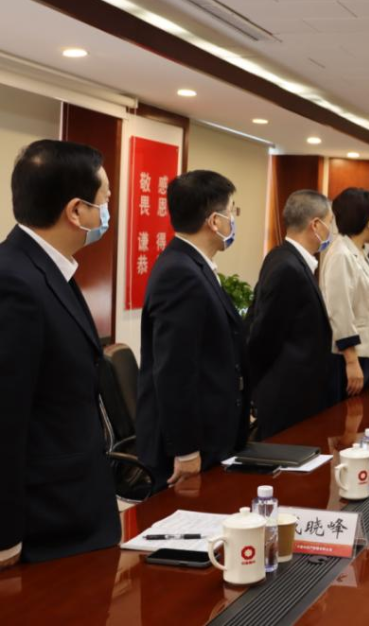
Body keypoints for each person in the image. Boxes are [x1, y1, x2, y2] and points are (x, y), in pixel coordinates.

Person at [0, 140, 119, 567]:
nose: (107, 212)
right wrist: (5, 537)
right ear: (76, 211)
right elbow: (5, 415)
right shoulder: (14, 280)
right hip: (43, 523)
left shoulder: (50, 268)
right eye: (104, 200)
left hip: (78, 503)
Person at [136, 170, 248, 488]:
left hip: (212, 431)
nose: (232, 221)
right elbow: (174, 369)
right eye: (231, 212)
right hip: (191, 444)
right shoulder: (180, 272)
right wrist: (185, 449)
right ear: (214, 221)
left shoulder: (193, 265)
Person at [246, 190, 334, 439]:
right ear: (315, 225)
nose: (331, 230)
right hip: (287, 393)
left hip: (298, 391)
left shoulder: (287, 258)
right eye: (330, 222)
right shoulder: (287, 266)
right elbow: (265, 334)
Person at [320, 188, 369, 398]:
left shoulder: (358, 251)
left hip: (368, 352)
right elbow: (339, 311)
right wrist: (351, 361)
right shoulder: (341, 254)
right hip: (351, 357)